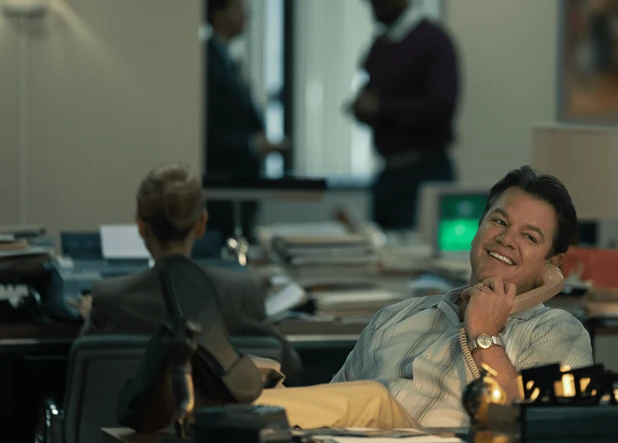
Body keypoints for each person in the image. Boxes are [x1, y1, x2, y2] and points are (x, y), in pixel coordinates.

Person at [331, 166, 593, 426]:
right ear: (479, 229)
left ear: (551, 264)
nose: (506, 239)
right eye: (499, 222)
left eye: (529, 236)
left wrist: (485, 336)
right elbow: (328, 407)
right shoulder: (393, 317)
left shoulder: (558, 333)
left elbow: (543, 429)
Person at [79, 163, 301, 380]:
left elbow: (81, 373)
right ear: (201, 223)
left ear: (141, 226)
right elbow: (289, 365)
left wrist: (92, 318)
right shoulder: (241, 293)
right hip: (216, 407)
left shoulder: (110, 299)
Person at [352, 0, 460, 230]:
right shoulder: (381, 45)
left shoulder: (433, 41)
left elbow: (441, 107)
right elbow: (371, 94)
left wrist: (382, 107)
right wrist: (361, 108)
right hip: (388, 173)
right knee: (381, 248)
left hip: (425, 171)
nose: (373, 7)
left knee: (419, 248)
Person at [205, 0, 288, 240]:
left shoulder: (228, 59)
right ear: (219, 13)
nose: (247, 15)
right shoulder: (207, 61)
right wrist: (252, 144)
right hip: (222, 191)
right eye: (239, 8)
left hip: (241, 192)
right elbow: (207, 131)